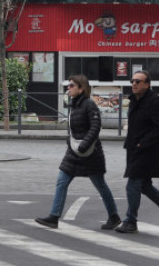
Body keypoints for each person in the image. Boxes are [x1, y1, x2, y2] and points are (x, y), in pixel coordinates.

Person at [34, 75, 121, 230]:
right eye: (68, 85)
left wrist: (85, 144)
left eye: (72, 85)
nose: (69, 87)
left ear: (81, 88)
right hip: (74, 151)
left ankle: (114, 216)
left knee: (100, 184)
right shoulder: (74, 105)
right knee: (62, 180)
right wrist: (71, 141)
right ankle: (54, 217)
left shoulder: (89, 104)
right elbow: (75, 128)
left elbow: (95, 126)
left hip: (90, 153)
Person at [115, 69, 159, 234]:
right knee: (144, 186)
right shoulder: (133, 100)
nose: (134, 84)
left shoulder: (154, 101)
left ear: (147, 84)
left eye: (138, 81)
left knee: (132, 184)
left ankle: (130, 220)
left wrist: (142, 143)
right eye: (132, 81)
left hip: (146, 151)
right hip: (133, 149)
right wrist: (131, 144)